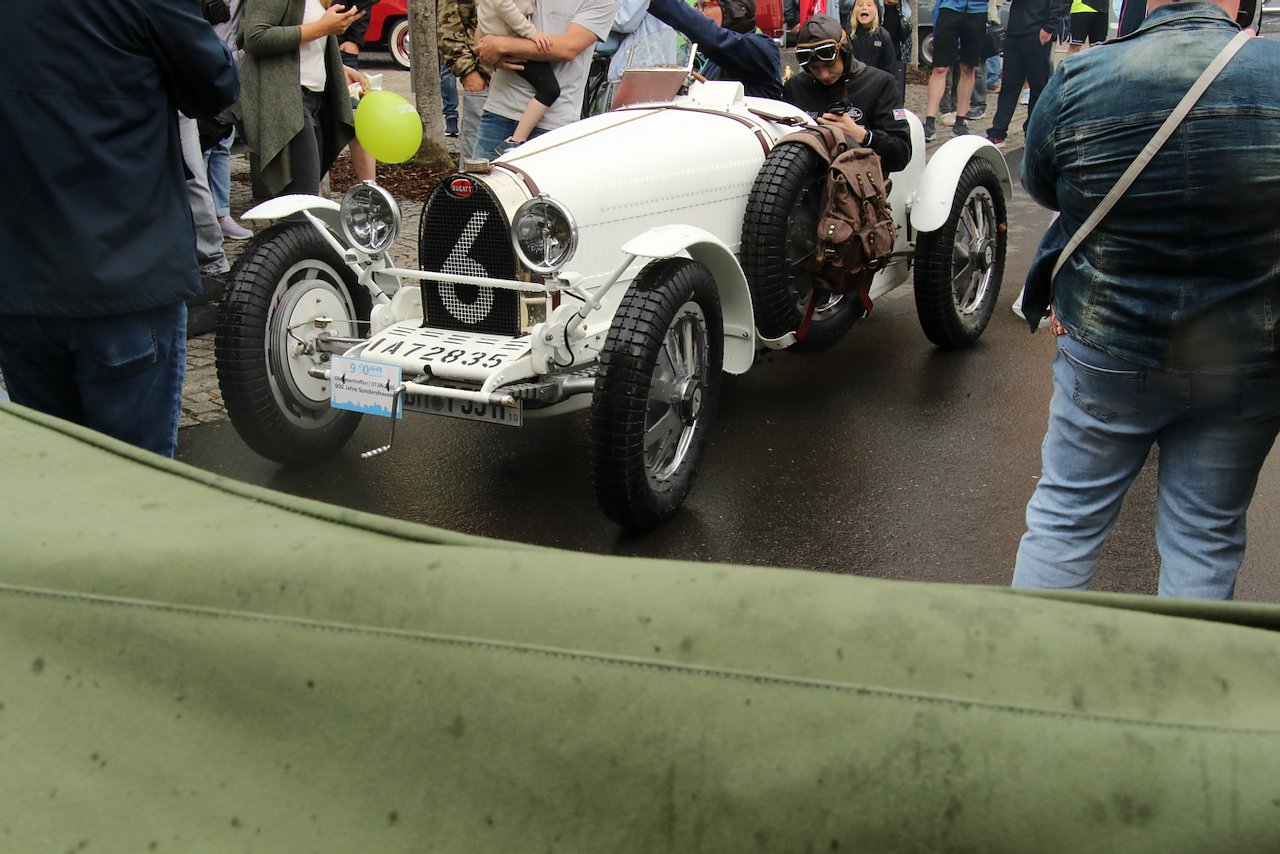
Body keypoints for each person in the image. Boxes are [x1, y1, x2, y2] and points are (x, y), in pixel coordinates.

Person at [1012, 0, 1280, 599]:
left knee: (1065, 520)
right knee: (1206, 535)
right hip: (1248, 356)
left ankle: (1031, 659)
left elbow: (1044, 186)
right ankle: (1184, 663)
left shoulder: (1082, 77)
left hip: (1108, 344)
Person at [0, 0, 238, 457]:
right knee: (134, 481)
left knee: (53, 475)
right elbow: (215, 86)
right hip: (125, 273)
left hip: (23, 277)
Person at [238, 0, 367, 198]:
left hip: (314, 99)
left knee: (304, 196)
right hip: (286, 101)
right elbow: (254, 37)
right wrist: (323, 27)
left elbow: (307, 47)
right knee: (302, 198)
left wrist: (341, 69)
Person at [473, 0, 620, 159]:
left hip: (554, 122)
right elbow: (484, 34)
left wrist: (500, 45)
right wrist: (488, 52)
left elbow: (567, 48)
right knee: (485, 175)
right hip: (500, 110)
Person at [783, 15, 911, 173]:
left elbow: (901, 154)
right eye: (815, 68)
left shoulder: (880, 83)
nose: (824, 74)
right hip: (805, 182)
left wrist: (863, 136)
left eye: (830, 65)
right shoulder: (795, 87)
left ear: (845, 53)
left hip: (861, 182)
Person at [645, 0, 782, 99]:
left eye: (704, 5)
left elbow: (716, 40)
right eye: (696, 6)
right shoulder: (707, 61)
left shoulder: (763, 48)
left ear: (733, 8)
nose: (698, 12)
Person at [477, 0, 562, 154]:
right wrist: (531, 33)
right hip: (507, 37)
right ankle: (515, 141)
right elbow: (503, 5)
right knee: (550, 89)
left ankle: (515, 140)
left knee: (548, 88)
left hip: (502, 35)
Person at [983, 0, 1068, 147]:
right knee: (1009, 85)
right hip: (1015, 31)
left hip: (1038, 32)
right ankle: (998, 132)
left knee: (1038, 87)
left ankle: (1032, 133)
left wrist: (1049, 27)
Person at [206, 0, 255, 240]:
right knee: (204, 145)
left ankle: (221, 214)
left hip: (232, 63)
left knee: (222, 143)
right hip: (205, 63)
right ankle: (204, 218)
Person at [922, 0, 988, 139]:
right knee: (940, 68)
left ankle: (960, 121)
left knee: (968, 68)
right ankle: (929, 123)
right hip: (949, 9)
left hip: (977, 10)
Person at [439, 0, 491, 159]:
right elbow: (448, 28)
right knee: (477, 162)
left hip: (533, 85)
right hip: (483, 82)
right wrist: (469, 73)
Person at [340, 11, 378, 181]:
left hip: (341, 48)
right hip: (308, 55)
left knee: (359, 122)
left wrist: (354, 39)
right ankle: (311, 194)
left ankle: (369, 189)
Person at [849, 0, 899, 75]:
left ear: (876, 10)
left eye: (869, 5)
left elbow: (891, 70)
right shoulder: (848, 36)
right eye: (860, 5)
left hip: (878, 80)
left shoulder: (883, 36)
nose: (864, 8)